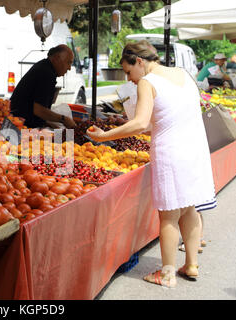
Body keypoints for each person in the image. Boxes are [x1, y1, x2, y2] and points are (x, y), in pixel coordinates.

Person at [87, 40, 216, 288]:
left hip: (172, 152)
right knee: (189, 208)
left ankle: (167, 274)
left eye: (128, 71)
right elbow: (167, 116)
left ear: (140, 62)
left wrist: (104, 136)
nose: (130, 79)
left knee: (168, 215)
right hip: (195, 148)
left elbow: (139, 123)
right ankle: (191, 264)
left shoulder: (148, 82)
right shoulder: (184, 74)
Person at [10, 44, 77, 129]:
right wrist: (64, 119)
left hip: (19, 122)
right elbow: (39, 110)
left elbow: (33, 106)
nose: (69, 68)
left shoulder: (44, 66)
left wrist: (46, 123)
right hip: (18, 126)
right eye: (68, 62)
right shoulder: (47, 73)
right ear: (56, 58)